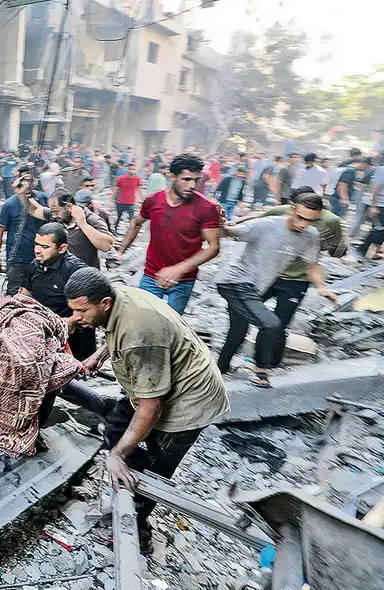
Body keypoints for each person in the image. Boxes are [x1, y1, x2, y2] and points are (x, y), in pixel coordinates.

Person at [64, 268, 230, 554]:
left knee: (152, 467)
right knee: (116, 429)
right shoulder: (119, 299)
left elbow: (150, 408)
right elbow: (119, 336)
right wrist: (100, 354)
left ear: (104, 303)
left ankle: (137, 533)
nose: (75, 318)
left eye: (81, 311)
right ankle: (124, 481)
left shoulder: (140, 334)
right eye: (73, 311)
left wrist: (116, 456)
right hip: (152, 383)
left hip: (187, 402)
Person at [215, 192, 337, 387]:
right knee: (271, 324)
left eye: (310, 221)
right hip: (233, 282)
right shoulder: (267, 225)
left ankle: (219, 369)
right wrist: (220, 224)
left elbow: (312, 265)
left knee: (238, 329)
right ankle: (260, 372)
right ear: (292, 209)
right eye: (300, 218)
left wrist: (321, 287)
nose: (303, 224)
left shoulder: (310, 236)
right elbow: (231, 232)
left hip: (254, 287)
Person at [115, 153, 222, 315]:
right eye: (186, 179)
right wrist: (121, 251)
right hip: (151, 275)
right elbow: (136, 223)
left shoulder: (206, 208)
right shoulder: (153, 201)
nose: (192, 185)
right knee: (144, 320)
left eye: (196, 180)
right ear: (172, 176)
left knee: (171, 326)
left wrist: (178, 269)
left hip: (183, 280)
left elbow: (213, 247)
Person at [20, 223, 95, 360]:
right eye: (36, 244)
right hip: (46, 333)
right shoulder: (34, 266)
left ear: (62, 248)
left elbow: (90, 307)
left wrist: (70, 321)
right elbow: (25, 294)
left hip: (73, 339)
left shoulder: (75, 270)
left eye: (45, 247)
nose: (37, 250)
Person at [24, 190, 113, 269]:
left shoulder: (90, 219)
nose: (54, 215)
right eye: (52, 212)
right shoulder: (57, 216)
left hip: (84, 276)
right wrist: (22, 193)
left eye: (56, 211)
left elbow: (106, 246)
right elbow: (34, 210)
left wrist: (83, 224)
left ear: (69, 207)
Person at [0, 175, 49, 295]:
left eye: (30, 180)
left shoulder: (43, 198)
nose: (28, 184)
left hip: (41, 256)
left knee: (39, 292)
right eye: (24, 180)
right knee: (13, 293)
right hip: (17, 258)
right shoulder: (9, 204)